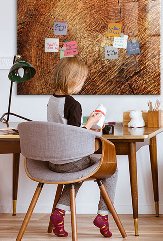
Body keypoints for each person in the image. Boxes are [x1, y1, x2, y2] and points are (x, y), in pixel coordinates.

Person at [47, 57, 118, 238]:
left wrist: (88, 125)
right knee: (112, 169)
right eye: (82, 80)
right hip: (70, 161)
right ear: (74, 80)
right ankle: (103, 215)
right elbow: (75, 136)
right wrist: (91, 123)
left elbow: (64, 129)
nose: (82, 84)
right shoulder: (73, 104)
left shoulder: (52, 100)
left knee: (77, 173)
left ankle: (60, 213)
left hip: (53, 161)